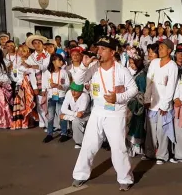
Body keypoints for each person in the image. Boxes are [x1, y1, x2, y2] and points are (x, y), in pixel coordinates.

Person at [72, 36, 137, 191]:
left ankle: (125, 178)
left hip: (116, 113)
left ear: (112, 52)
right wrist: (84, 65)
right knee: (88, 145)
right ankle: (80, 175)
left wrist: (118, 97)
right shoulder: (93, 67)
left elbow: (133, 89)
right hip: (97, 112)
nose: (99, 51)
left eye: (103, 49)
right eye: (98, 48)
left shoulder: (121, 70)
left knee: (118, 147)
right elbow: (77, 82)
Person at [144, 39, 178, 165]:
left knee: (161, 130)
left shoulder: (172, 66)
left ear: (169, 50)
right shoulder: (154, 62)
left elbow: (171, 86)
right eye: (160, 47)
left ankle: (162, 155)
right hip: (152, 102)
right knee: (151, 130)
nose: (160, 49)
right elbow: (149, 81)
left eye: (163, 47)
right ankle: (150, 152)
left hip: (163, 104)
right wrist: (147, 98)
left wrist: (165, 105)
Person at [41, 54, 70, 143]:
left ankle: (64, 133)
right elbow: (44, 84)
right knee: (50, 116)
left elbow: (67, 84)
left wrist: (59, 86)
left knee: (61, 115)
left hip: (61, 96)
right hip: (51, 96)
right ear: (53, 61)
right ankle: (50, 133)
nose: (61, 62)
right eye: (59, 60)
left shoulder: (64, 72)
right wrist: (48, 87)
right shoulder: (47, 73)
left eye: (62, 60)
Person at [24, 35, 50, 129]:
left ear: (42, 44)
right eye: (35, 43)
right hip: (36, 82)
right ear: (33, 45)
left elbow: (45, 67)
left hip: (46, 82)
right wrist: (34, 87)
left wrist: (33, 66)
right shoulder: (31, 57)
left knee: (47, 103)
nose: (37, 45)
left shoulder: (48, 55)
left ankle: (49, 123)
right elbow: (27, 70)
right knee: (39, 103)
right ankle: (42, 122)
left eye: (39, 42)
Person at [11, 45, 38, 130]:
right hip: (19, 84)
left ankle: (28, 122)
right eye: (19, 51)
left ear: (27, 52)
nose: (21, 53)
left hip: (28, 85)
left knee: (27, 102)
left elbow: (33, 73)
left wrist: (34, 87)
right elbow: (14, 73)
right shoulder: (16, 61)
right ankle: (20, 123)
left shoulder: (30, 61)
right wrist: (18, 79)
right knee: (19, 103)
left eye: (23, 51)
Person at [127, 48, 147, 157]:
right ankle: (132, 145)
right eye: (130, 63)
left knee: (137, 124)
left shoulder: (142, 75)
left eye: (133, 63)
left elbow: (143, 91)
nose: (131, 65)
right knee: (133, 124)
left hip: (138, 104)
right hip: (133, 103)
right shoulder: (137, 74)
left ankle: (136, 146)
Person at [60, 82, 91, 149]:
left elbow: (80, 115)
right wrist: (74, 114)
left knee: (75, 121)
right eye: (72, 90)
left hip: (86, 115)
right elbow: (63, 109)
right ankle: (66, 134)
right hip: (75, 113)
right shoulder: (69, 93)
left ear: (81, 91)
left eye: (76, 91)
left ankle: (80, 142)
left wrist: (66, 116)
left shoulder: (85, 96)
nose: (73, 93)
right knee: (72, 118)